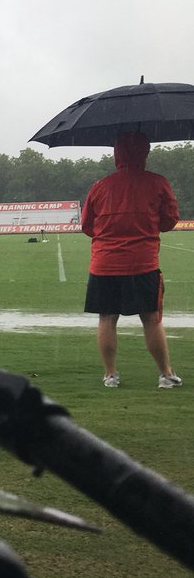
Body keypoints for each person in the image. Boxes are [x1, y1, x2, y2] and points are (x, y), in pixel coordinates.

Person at [82, 131, 181, 389]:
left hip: (104, 263)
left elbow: (87, 226)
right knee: (151, 318)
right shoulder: (158, 183)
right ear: (145, 152)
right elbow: (170, 221)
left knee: (107, 318)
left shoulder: (99, 186)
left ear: (116, 153)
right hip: (143, 264)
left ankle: (110, 375)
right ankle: (165, 374)